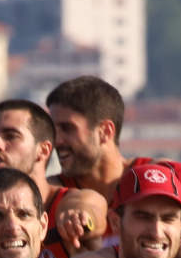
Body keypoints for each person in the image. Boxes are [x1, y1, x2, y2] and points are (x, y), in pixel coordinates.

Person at [0, 99, 108, 258]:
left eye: (10, 136)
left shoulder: (70, 201)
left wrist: (82, 219)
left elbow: (92, 209)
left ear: (43, 150)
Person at [46, 76, 130, 210]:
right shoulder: (47, 196)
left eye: (67, 128)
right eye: (53, 129)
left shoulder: (156, 180)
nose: (57, 141)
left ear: (105, 132)